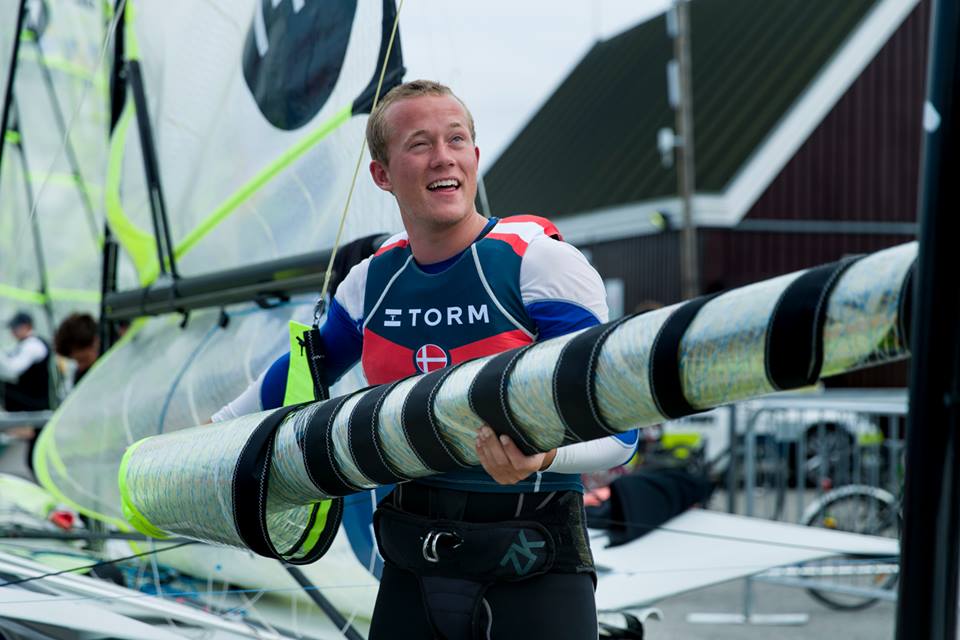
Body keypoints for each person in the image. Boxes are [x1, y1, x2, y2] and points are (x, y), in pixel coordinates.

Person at [213, 80, 637, 639]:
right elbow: (296, 378)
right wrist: (211, 436)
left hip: (532, 564)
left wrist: (544, 455)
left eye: (456, 139)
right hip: (412, 562)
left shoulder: (541, 265)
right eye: (419, 143)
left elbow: (621, 434)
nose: (444, 157)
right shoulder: (370, 282)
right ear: (382, 175)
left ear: (475, 158)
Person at [0, 312, 51, 413]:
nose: (12, 332)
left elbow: (12, 370)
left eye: (15, 328)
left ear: (26, 327)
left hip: (34, 402)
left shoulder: (33, 345)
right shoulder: (25, 344)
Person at [54, 313, 100, 386]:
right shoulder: (81, 377)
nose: (80, 367)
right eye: (76, 361)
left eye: (83, 359)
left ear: (96, 342)